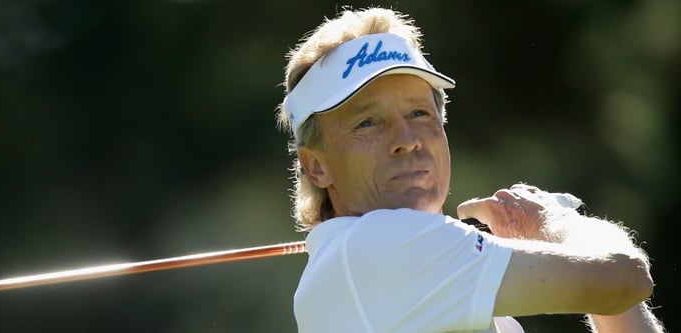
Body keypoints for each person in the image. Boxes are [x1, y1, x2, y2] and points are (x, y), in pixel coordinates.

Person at [275, 6, 665, 333]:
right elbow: (626, 278)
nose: (407, 138)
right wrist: (555, 223)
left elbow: (618, 290)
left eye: (419, 113)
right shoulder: (377, 245)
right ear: (316, 166)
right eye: (368, 123)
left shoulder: (405, 268)